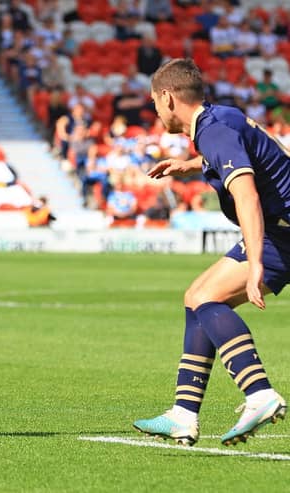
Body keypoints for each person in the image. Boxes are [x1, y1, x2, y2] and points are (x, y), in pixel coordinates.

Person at [133, 58, 287, 447]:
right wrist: (191, 166)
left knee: (207, 298)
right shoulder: (220, 118)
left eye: (154, 102)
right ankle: (183, 414)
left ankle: (259, 394)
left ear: (168, 98)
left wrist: (255, 266)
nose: (154, 110)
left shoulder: (213, 132)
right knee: (195, 297)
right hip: (281, 228)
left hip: (281, 233)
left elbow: (248, 196)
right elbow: (264, 153)